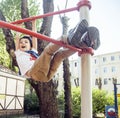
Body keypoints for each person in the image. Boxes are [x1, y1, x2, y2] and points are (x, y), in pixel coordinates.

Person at [15, 19, 100, 82]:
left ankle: (81, 44)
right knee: (48, 52)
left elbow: (34, 37)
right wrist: (18, 28)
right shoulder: (19, 53)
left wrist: (34, 23)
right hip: (34, 72)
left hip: (46, 76)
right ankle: (68, 39)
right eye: (21, 42)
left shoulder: (33, 51)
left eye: (26, 42)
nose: (23, 43)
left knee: (59, 56)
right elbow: (17, 39)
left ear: (30, 46)